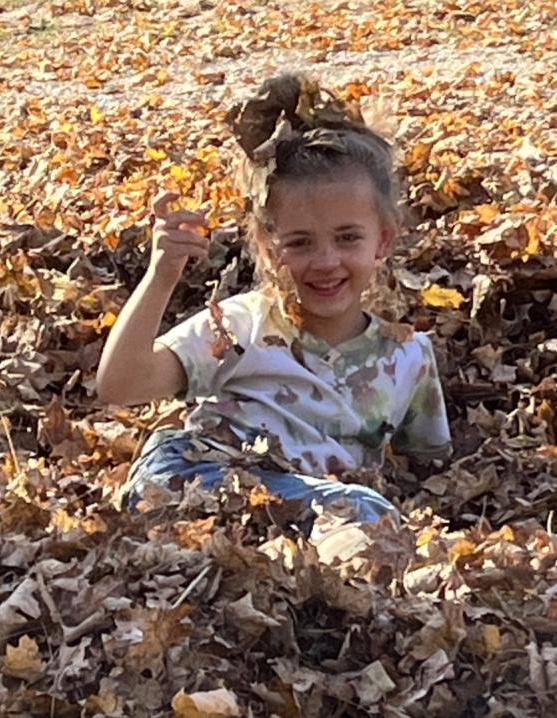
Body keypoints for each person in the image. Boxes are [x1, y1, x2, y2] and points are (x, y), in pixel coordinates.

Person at [96, 73, 452, 535]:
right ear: (266, 247)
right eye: (299, 243)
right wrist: (160, 276)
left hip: (323, 514)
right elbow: (120, 386)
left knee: (367, 515)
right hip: (203, 477)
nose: (326, 262)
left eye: (347, 238)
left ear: (382, 240)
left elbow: (431, 471)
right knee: (360, 509)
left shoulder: (409, 357)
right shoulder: (241, 326)